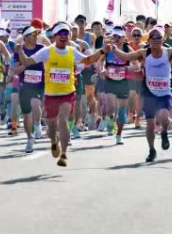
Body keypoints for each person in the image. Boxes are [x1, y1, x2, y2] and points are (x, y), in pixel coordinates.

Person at [103, 26, 172, 162]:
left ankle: (164, 132)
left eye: (159, 37)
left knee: (163, 118)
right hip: (149, 91)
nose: (156, 40)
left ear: (162, 39)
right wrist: (114, 49)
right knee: (150, 123)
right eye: (153, 37)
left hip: (164, 92)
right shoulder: (144, 53)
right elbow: (126, 56)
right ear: (149, 40)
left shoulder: (169, 52)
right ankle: (151, 150)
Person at [15, 22, 109, 166]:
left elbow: (88, 60)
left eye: (66, 33)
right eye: (61, 34)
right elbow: (27, 62)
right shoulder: (46, 51)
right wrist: (21, 51)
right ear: (55, 36)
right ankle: (54, 141)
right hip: (51, 94)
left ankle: (63, 153)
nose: (64, 36)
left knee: (62, 119)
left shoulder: (72, 51)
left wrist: (102, 51)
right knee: (52, 127)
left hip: (67, 92)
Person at [9, 26, 45, 153]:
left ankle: (37, 124)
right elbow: (16, 71)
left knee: (35, 104)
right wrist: (26, 63)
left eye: (37, 35)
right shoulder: (19, 50)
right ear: (26, 37)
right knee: (26, 115)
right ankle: (30, 138)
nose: (36, 37)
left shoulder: (41, 48)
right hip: (24, 85)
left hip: (39, 84)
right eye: (33, 35)